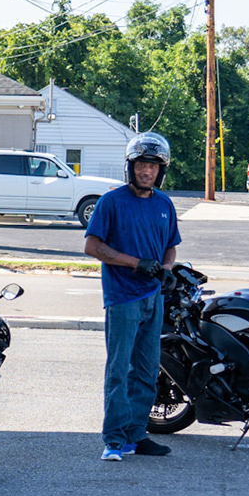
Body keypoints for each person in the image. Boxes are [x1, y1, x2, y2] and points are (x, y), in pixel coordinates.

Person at [83, 132, 181, 462]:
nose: (146, 171)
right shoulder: (111, 202)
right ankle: (114, 439)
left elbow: (171, 245)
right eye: (141, 165)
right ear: (130, 167)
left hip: (154, 296)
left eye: (153, 166)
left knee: (147, 370)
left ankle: (136, 435)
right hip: (122, 297)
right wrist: (136, 263)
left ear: (161, 171)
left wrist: (166, 268)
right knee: (119, 370)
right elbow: (92, 246)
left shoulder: (164, 204)